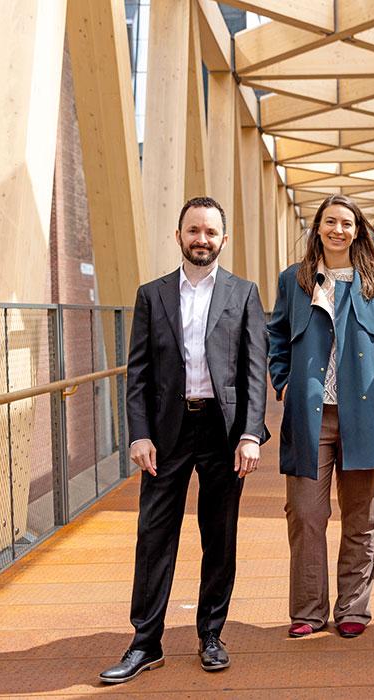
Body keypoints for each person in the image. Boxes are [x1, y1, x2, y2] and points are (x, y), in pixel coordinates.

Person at [100, 197, 269, 683]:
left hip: (222, 431)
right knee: (154, 535)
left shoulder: (244, 293)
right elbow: (139, 373)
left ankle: (211, 634)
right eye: (193, 230)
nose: (202, 239)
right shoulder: (151, 295)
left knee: (219, 535)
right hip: (167, 432)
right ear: (179, 236)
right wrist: (139, 433)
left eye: (210, 232)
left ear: (223, 239)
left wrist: (251, 434)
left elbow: (254, 372)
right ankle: (145, 642)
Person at [268, 194, 374, 640]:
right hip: (310, 415)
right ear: (318, 228)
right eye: (330, 222)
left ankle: (353, 608)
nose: (338, 230)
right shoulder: (295, 281)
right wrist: (283, 381)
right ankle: (308, 610)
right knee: (306, 513)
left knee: (360, 516)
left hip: (365, 413)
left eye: (347, 223)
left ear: (358, 230)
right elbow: (276, 336)